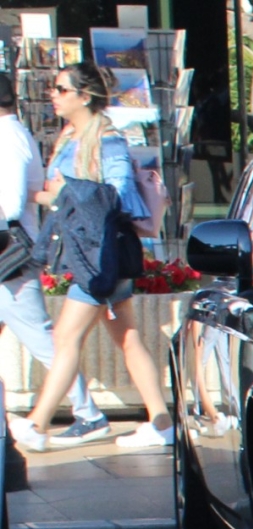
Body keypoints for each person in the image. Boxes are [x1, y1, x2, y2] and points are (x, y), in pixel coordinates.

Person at [15, 61, 171, 454]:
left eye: (61, 89)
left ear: (85, 96)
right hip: (95, 252)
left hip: (102, 254)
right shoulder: (73, 137)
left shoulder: (107, 140)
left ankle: (38, 424)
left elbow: (117, 195)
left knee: (66, 337)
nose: (53, 94)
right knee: (128, 338)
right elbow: (63, 192)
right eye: (53, 88)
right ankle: (161, 422)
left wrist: (67, 194)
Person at [0, 76, 105, 444]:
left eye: (61, 89)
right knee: (46, 339)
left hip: (10, 259)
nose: (53, 96)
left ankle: (88, 412)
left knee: (46, 341)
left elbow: (11, 204)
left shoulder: (8, 139)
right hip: (10, 258)